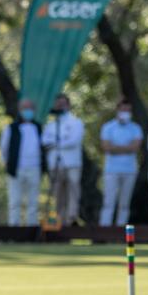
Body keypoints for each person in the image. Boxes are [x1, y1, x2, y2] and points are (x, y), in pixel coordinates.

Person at [0, 98, 47, 226]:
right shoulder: (11, 128)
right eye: (24, 108)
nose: (27, 111)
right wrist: (7, 164)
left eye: (30, 108)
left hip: (35, 168)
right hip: (16, 169)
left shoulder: (39, 127)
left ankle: (31, 229)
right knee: (15, 201)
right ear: (19, 110)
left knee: (33, 202)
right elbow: (4, 149)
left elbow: (44, 147)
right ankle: (14, 229)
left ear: (34, 110)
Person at [41, 93, 85, 226]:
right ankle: (58, 221)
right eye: (58, 104)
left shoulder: (76, 122)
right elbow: (44, 141)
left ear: (68, 105)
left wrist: (56, 143)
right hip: (55, 164)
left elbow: (74, 140)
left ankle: (71, 218)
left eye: (63, 104)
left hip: (72, 163)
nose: (60, 106)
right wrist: (61, 141)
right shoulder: (51, 125)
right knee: (58, 194)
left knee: (73, 191)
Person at [99, 99, 143, 226]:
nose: (125, 112)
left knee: (124, 204)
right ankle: (105, 231)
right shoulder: (108, 127)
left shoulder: (136, 128)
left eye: (128, 110)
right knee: (108, 202)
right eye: (123, 110)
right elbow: (106, 148)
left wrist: (115, 148)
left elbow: (135, 148)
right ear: (117, 110)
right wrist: (126, 148)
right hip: (111, 170)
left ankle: (120, 232)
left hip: (130, 171)